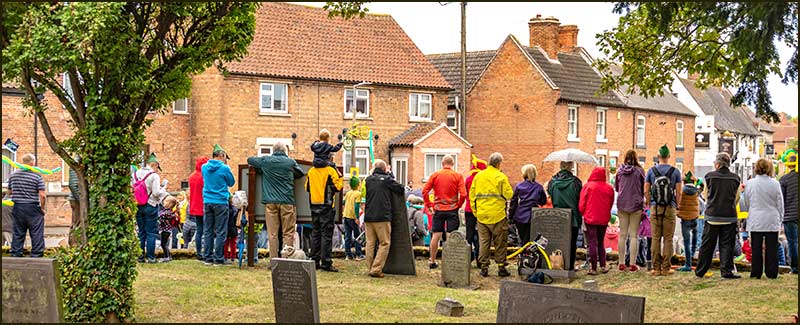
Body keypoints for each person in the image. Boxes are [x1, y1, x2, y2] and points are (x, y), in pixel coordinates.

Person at [247, 142, 304, 260]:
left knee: (272, 234)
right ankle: (286, 260)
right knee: (288, 233)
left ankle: (273, 261)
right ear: (285, 151)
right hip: (287, 201)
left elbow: (250, 160)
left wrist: (262, 169)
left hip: (271, 202)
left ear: (274, 150)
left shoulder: (266, 161)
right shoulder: (290, 162)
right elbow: (300, 173)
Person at [695, 152, 743, 279]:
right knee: (727, 244)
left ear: (717, 164)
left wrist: (712, 203)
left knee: (707, 244)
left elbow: (705, 196)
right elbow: (737, 197)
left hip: (712, 216)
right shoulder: (736, 178)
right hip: (729, 216)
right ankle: (726, 271)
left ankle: (701, 270)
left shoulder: (709, 177)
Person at [470, 152, 513, 278]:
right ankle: (501, 267)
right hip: (498, 215)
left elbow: (472, 196)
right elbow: (509, 194)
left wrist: (476, 212)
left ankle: (484, 268)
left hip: (482, 215)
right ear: (499, 163)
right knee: (500, 242)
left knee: (484, 242)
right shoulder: (501, 177)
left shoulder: (478, 176)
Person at [741, 159, 784, 279]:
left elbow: (746, 201)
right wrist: (780, 219)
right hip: (771, 218)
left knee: (756, 247)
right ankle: (771, 272)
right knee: (771, 247)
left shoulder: (750, 183)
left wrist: (752, 210)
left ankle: (756, 272)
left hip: (756, 218)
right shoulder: (775, 183)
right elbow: (780, 203)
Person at [422, 154, 466, 269]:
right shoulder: (457, 176)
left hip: (438, 209)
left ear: (442, 163)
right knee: (451, 235)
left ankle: (432, 260)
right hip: (452, 208)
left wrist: (429, 205)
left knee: (436, 235)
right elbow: (464, 194)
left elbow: (425, 191)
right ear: (452, 164)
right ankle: (449, 261)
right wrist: (458, 205)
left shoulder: (435, 175)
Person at [644, 144, 682, 276]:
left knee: (655, 238)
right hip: (670, 207)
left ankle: (656, 268)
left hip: (655, 207)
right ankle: (666, 268)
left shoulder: (651, 171)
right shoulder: (675, 172)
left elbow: (646, 190)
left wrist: (649, 203)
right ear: (669, 156)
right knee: (668, 239)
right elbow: (678, 192)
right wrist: (677, 206)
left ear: (658, 156)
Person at [364, 159, 405, 278]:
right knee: (384, 243)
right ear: (384, 169)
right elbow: (400, 188)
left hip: (369, 216)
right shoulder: (387, 180)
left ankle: (369, 266)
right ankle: (376, 269)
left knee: (370, 243)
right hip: (382, 216)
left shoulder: (368, 180)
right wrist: (389, 174)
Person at [306, 153, 343, 272]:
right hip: (326, 207)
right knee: (326, 236)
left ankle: (314, 260)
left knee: (315, 234)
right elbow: (338, 187)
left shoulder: (311, 171)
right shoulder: (330, 171)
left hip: (314, 206)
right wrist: (339, 175)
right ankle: (326, 262)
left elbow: (306, 187)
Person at [8, 154, 48, 258]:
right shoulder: (37, 175)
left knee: (18, 232)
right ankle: (36, 254)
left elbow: (9, 192)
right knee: (36, 232)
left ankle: (16, 254)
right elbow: (42, 195)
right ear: (32, 162)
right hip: (32, 207)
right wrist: (42, 208)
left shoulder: (13, 175)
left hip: (17, 207)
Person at [202, 144, 236, 265]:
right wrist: (226, 167)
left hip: (207, 201)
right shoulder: (224, 168)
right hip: (221, 201)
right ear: (222, 156)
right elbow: (231, 182)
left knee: (208, 230)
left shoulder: (204, 167)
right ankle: (218, 258)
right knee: (221, 231)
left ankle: (207, 258)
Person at [547, 161, 583, 271]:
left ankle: (558, 264)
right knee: (572, 243)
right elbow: (580, 198)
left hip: (557, 217)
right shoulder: (576, 182)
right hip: (573, 217)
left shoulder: (552, 181)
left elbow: (549, 193)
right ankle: (570, 266)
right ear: (570, 167)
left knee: (558, 242)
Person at [579, 167, 615, 275]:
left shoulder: (587, 186)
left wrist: (583, 213)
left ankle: (593, 267)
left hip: (590, 218)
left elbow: (581, 204)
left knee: (592, 242)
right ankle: (603, 265)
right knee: (600, 242)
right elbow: (611, 203)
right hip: (603, 218)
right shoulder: (609, 188)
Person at [133, 153, 167, 263]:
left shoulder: (136, 173)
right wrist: (163, 188)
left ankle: (140, 256)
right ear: (155, 165)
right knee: (151, 232)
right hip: (151, 205)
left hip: (138, 204)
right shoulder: (154, 175)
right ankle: (151, 257)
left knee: (141, 232)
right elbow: (156, 192)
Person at [615, 150, 646, 272]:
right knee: (634, 235)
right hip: (636, 205)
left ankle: (621, 263)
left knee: (622, 235)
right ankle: (633, 263)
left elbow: (617, 188)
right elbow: (644, 187)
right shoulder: (639, 171)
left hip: (622, 204)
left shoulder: (619, 172)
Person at [508, 164, 547, 246]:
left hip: (520, 215)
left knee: (522, 239)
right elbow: (543, 201)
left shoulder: (519, 186)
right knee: (531, 239)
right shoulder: (539, 187)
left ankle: (523, 255)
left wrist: (510, 216)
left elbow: (513, 202)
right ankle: (529, 256)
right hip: (533, 215)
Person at [465, 155, 487, 265]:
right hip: (481, 209)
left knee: (469, 235)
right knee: (481, 236)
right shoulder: (483, 179)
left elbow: (465, 194)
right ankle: (480, 260)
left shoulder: (468, 179)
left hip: (469, 209)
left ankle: (467, 259)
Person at [677, 172, 700, 272]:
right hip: (695, 218)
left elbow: (679, 203)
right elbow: (701, 183)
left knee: (686, 242)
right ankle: (692, 256)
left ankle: (688, 264)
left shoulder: (683, 191)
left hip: (685, 219)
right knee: (694, 238)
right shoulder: (696, 191)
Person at [779, 153, 798, 274]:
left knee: (792, 242)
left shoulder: (784, 179)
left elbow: (781, 200)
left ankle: (795, 268)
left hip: (790, 216)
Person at [188, 157, 209, 260]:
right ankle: (206, 252)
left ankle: (198, 252)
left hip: (194, 206)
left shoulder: (192, 176)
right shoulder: (204, 176)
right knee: (207, 230)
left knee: (199, 230)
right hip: (204, 205)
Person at [342, 177, 365, 261]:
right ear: (358, 185)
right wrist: (357, 217)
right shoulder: (358, 194)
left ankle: (348, 254)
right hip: (352, 217)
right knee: (357, 236)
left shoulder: (348, 193)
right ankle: (358, 254)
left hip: (346, 216)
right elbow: (356, 206)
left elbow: (343, 202)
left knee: (347, 236)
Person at [158, 195, 179, 263]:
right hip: (166, 230)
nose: (164, 202)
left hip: (165, 230)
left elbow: (159, 216)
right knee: (164, 244)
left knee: (163, 244)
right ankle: (168, 256)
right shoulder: (168, 211)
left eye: (166, 201)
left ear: (170, 204)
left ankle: (167, 257)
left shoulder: (167, 212)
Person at [67, 166, 81, 246]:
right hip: (77, 198)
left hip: (76, 198)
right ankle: (75, 246)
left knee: (76, 222)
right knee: (78, 223)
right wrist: (82, 200)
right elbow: (73, 184)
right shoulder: (77, 161)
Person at [223, 195, 239, 262]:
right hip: (233, 227)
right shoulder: (235, 209)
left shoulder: (224, 208)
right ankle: (233, 256)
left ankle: (225, 256)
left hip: (226, 227)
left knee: (226, 243)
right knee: (233, 243)